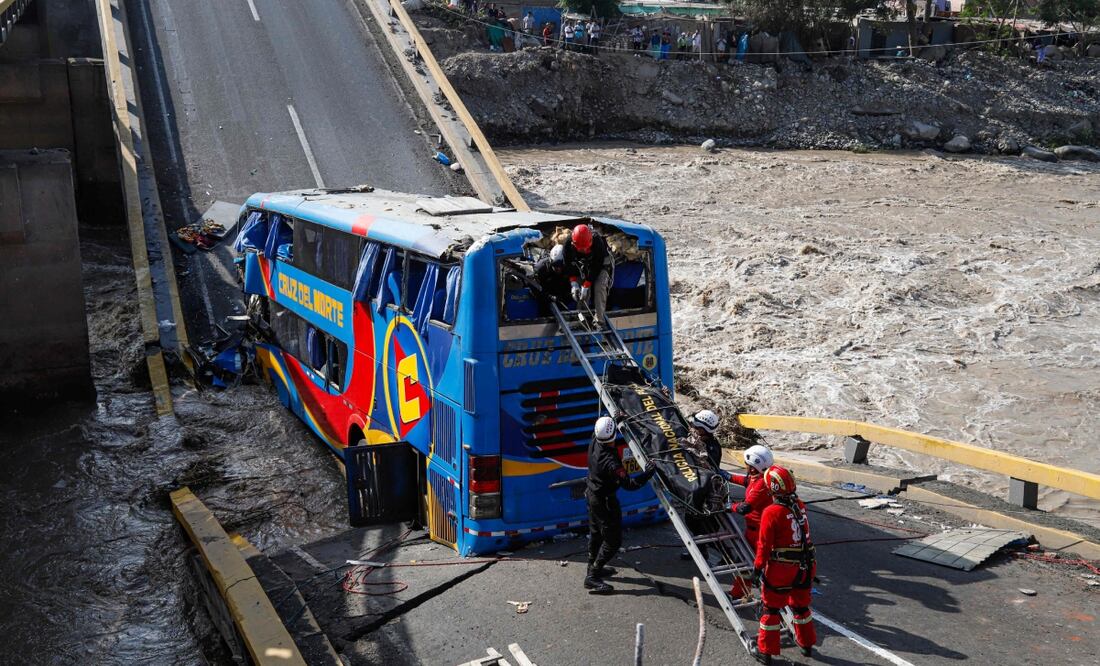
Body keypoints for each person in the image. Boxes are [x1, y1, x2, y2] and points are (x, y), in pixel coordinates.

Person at [752, 466, 817, 664]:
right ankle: (806, 645)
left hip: (782, 569)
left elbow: (764, 545)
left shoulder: (771, 512)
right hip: (806, 566)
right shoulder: (799, 505)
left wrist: (757, 568)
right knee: (801, 607)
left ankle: (766, 652)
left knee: (771, 610)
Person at [585, 416, 657, 594]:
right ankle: (593, 576)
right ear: (613, 436)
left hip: (592, 494)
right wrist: (647, 474)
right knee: (613, 540)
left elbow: (603, 431)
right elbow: (630, 485)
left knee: (596, 534)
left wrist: (615, 420)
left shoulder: (594, 440)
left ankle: (593, 568)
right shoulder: (610, 462)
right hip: (604, 501)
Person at [727, 443, 774, 597]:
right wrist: (727, 476)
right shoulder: (760, 477)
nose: (745, 467)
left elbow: (745, 508)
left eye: (747, 464)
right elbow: (747, 482)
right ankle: (739, 591)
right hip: (755, 530)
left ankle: (740, 593)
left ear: (753, 466)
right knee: (747, 563)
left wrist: (729, 506)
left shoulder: (761, 484)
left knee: (748, 563)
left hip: (758, 533)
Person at [562, 223, 612, 320]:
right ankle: (581, 316)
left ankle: (599, 320)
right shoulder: (568, 244)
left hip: (600, 264)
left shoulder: (597, 241)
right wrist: (574, 283)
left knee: (599, 287)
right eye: (582, 249)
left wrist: (587, 283)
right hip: (582, 263)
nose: (584, 250)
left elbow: (597, 265)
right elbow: (568, 264)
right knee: (580, 291)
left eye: (586, 248)